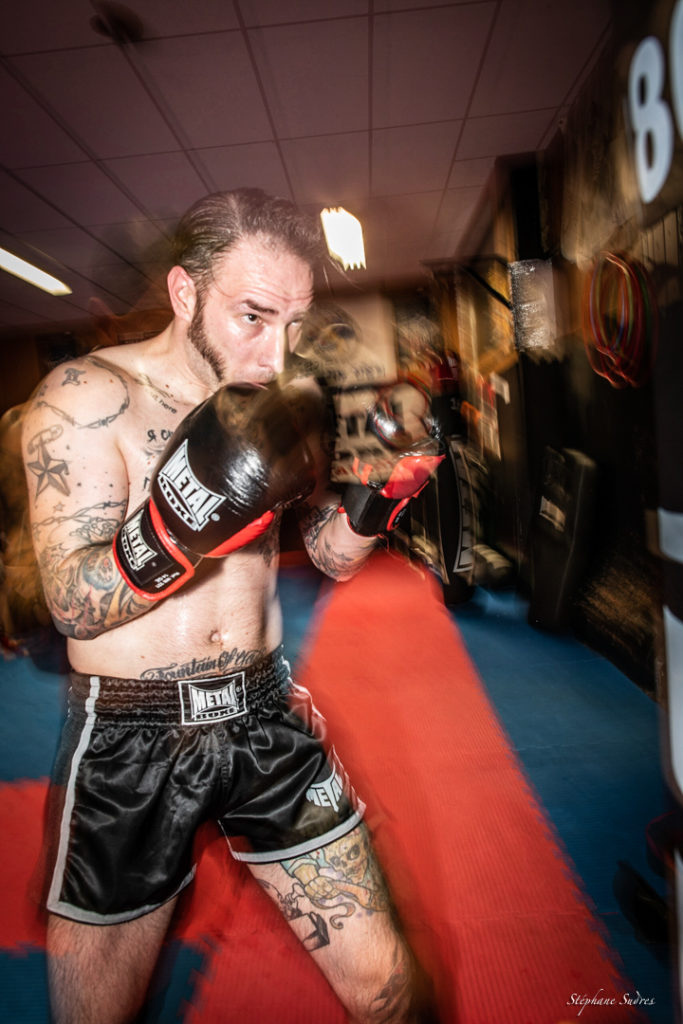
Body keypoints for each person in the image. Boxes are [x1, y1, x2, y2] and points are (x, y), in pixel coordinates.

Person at [22, 188, 440, 1024]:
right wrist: (177, 528)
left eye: (294, 324)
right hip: (131, 741)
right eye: (253, 316)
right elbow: (72, 603)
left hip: (263, 713)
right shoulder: (83, 397)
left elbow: (322, 555)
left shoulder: (274, 404)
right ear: (185, 294)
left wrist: (378, 501)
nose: (276, 351)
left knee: (390, 988)